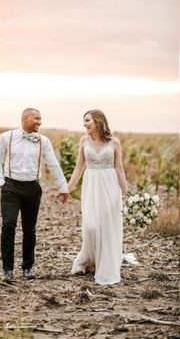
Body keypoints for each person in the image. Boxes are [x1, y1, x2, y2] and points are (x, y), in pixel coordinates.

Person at [0, 108, 68, 283]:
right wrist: (1, 183)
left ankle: (28, 267)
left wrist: (63, 186)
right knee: (8, 225)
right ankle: (7, 270)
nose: (40, 122)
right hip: (11, 187)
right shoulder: (6, 137)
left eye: (41, 119)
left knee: (29, 229)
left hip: (33, 188)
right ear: (25, 118)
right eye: (37, 119)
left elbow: (53, 164)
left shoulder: (44, 141)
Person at [67, 109, 127, 285]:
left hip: (109, 185)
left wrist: (127, 194)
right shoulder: (84, 141)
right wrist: (67, 189)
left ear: (98, 121)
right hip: (91, 185)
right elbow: (79, 168)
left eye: (87, 120)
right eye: (84, 121)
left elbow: (119, 169)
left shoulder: (114, 142)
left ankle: (103, 264)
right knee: (91, 227)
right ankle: (90, 258)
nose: (84, 124)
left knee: (107, 226)